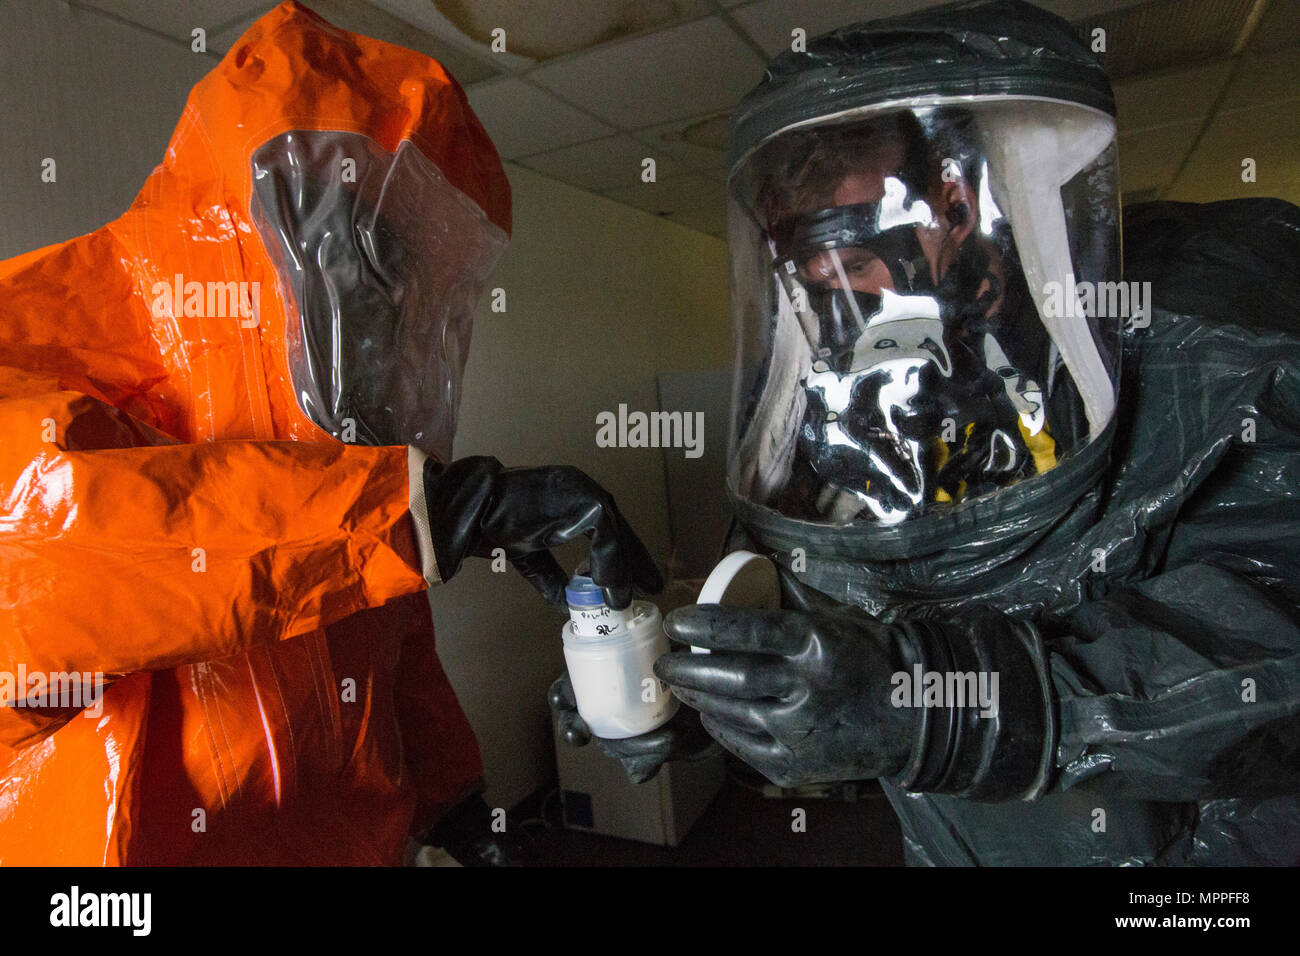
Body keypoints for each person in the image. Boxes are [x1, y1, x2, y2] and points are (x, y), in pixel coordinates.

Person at [568, 0, 1300, 865]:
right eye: (814, 281)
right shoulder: (850, 391)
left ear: (955, 200)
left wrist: (943, 712)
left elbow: (1269, 647)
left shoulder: (1209, 330)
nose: (847, 314)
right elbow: (838, 631)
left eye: (859, 264)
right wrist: (714, 697)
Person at [0, 0, 660, 865]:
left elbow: (396, 654)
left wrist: (454, 802)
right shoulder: (53, 355)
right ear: (253, 232)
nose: (388, 305)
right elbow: (53, 562)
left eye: (409, 270)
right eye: (363, 252)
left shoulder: (347, 481)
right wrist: (426, 512)